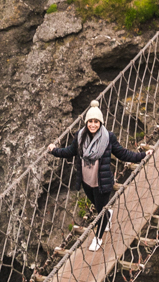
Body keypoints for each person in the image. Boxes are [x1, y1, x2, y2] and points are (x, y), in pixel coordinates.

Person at [48, 103, 147, 250]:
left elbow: (123, 154)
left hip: (102, 182)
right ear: (86, 122)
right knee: (98, 206)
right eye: (90, 121)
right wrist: (54, 150)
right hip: (86, 181)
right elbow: (69, 151)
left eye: (96, 122)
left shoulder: (108, 138)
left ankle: (98, 238)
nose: (93, 125)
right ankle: (108, 214)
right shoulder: (80, 136)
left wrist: (142, 155)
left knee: (100, 212)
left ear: (101, 123)